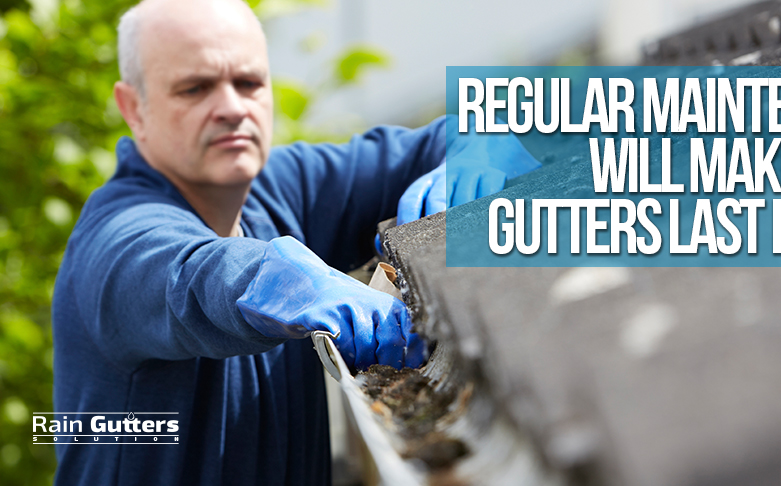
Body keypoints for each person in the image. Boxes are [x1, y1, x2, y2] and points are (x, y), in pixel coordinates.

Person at [50, 0, 540, 484]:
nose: (231, 108)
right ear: (134, 107)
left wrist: (480, 146)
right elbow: (185, 276)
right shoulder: (113, 240)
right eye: (195, 88)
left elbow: (455, 134)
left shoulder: (286, 187)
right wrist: (271, 277)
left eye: (248, 83)